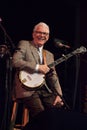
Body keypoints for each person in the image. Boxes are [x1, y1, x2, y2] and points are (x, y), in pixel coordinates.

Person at [12, 22, 64, 122]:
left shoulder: (49, 55)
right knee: (40, 114)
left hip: (44, 90)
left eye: (45, 34)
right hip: (26, 89)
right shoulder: (25, 44)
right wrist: (37, 67)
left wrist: (59, 95)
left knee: (58, 111)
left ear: (48, 37)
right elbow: (15, 61)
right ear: (33, 34)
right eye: (39, 32)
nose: (42, 36)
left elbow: (53, 76)